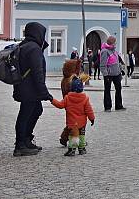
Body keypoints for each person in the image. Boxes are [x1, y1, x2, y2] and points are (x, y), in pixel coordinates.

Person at [12, 22, 54, 156]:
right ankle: (20, 145)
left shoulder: (24, 45)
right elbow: (37, 72)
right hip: (30, 89)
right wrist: (45, 93)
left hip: (23, 86)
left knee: (36, 110)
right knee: (25, 115)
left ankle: (26, 140)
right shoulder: (34, 48)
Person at [50, 77, 95, 157]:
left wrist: (52, 100)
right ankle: (82, 149)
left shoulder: (67, 98)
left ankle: (72, 150)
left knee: (73, 135)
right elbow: (89, 110)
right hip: (82, 122)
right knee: (81, 134)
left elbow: (60, 105)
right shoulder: (85, 98)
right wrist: (92, 119)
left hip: (72, 122)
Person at [58, 58, 83, 147]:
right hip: (74, 105)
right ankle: (76, 140)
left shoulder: (65, 79)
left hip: (68, 104)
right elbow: (76, 92)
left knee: (71, 123)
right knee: (77, 123)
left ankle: (64, 138)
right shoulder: (71, 80)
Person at [100, 36, 125, 112]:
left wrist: (121, 70)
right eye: (115, 42)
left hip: (117, 73)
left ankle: (119, 105)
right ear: (112, 43)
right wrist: (105, 74)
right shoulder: (105, 51)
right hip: (109, 74)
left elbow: (117, 62)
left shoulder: (114, 51)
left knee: (118, 89)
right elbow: (102, 64)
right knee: (107, 90)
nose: (116, 43)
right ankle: (107, 107)